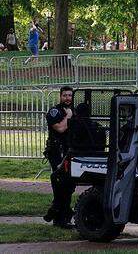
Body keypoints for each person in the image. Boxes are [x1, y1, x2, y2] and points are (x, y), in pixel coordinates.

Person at [43, 86, 75, 228]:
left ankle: (59, 212)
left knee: (69, 183)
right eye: (65, 95)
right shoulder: (54, 111)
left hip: (71, 150)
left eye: (70, 95)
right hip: (57, 151)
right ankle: (59, 215)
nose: (68, 98)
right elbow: (61, 128)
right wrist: (68, 117)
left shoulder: (75, 110)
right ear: (60, 96)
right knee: (60, 180)